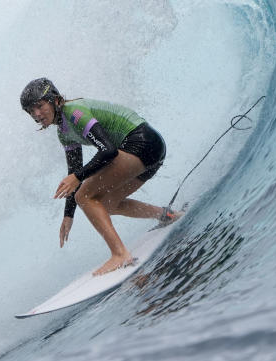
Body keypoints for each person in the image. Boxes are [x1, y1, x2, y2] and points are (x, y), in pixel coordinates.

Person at [20, 77, 181, 275]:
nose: (36, 114)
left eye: (39, 106)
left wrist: (78, 177)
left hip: (142, 142)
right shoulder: (63, 133)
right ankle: (166, 215)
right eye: (30, 111)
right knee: (106, 205)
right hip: (149, 151)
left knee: (85, 196)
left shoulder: (75, 113)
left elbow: (108, 150)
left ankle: (120, 254)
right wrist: (68, 215)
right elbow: (75, 171)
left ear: (55, 100)